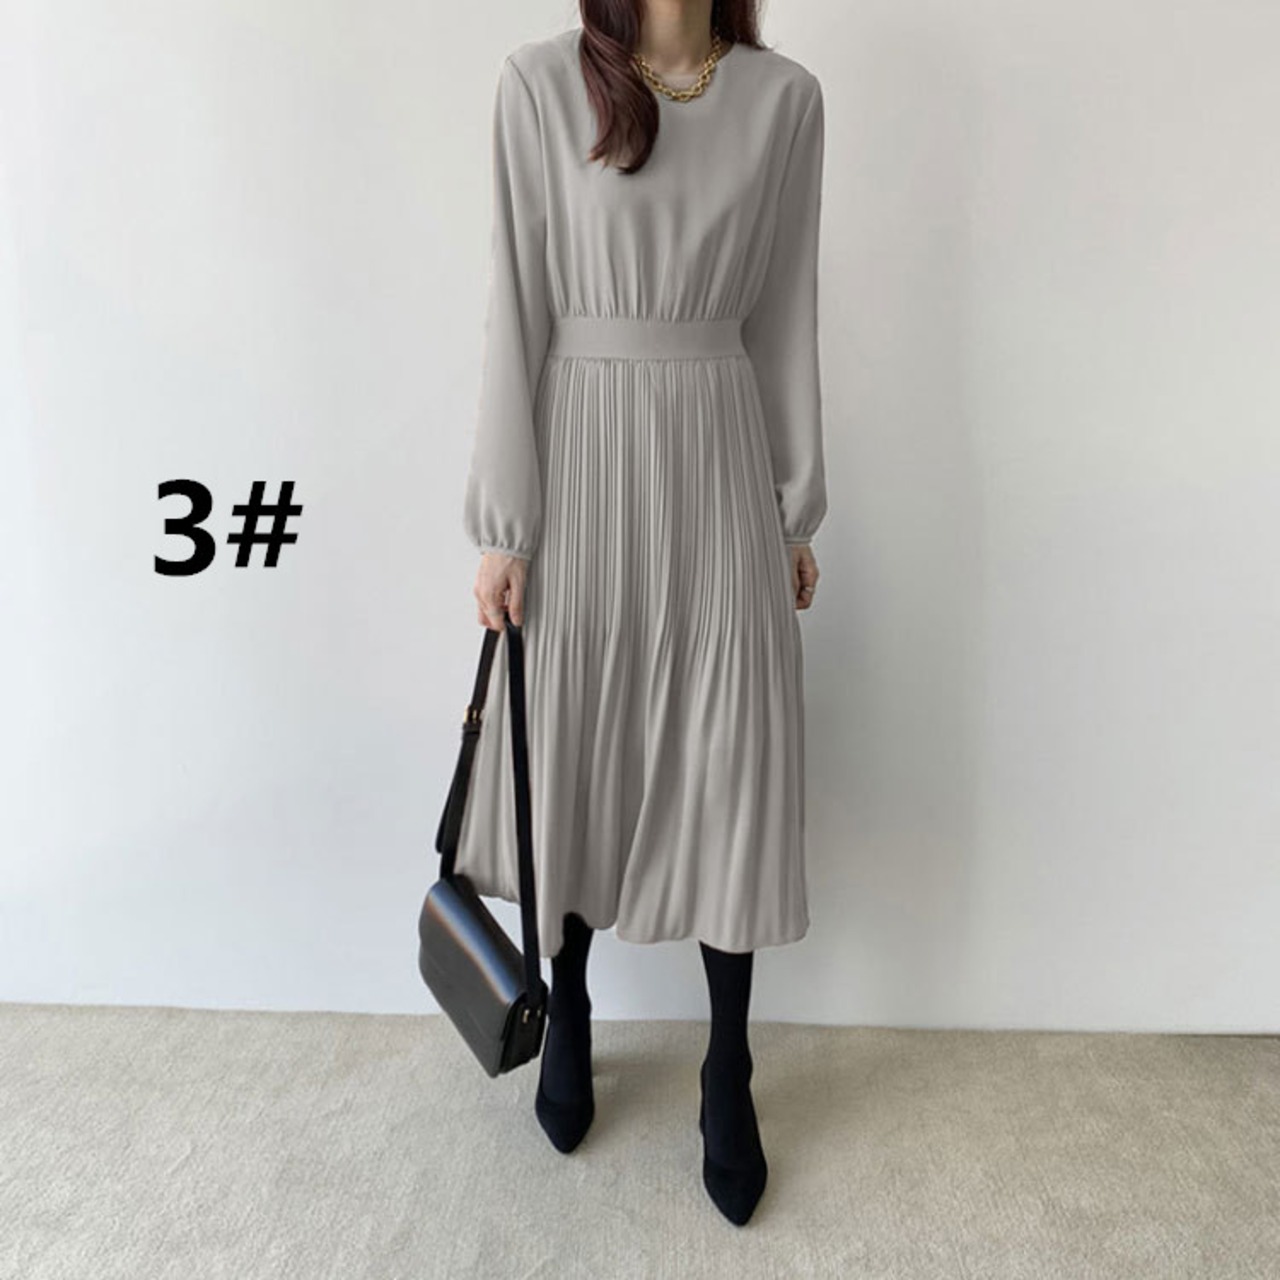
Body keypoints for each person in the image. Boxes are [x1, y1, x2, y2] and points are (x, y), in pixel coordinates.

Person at [452, 0, 826, 1227]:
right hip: (579, 454)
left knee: (730, 754)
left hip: (717, 452)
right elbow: (515, 306)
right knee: (574, 739)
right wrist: (504, 525)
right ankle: (566, 1004)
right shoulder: (535, 85)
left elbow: (783, 312)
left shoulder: (782, 101)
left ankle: (728, 1061)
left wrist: (791, 509)